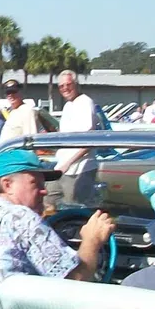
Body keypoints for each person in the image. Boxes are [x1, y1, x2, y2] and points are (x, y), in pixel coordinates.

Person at [0, 148, 115, 281]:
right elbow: (74, 283)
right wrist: (92, 240)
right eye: (35, 183)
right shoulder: (22, 217)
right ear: (7, 185)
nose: (44, 191)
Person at [51, 71, 100, 207]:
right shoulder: (67, 106)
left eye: (68, 84)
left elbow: (89, 141)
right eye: (61, 86)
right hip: (61, 167)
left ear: (76, 84)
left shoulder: (85, 103)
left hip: (79, 169)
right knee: (49, 201)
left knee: (73, 210)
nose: (65, 88)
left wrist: (69, 163)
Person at [0, 80, 40, 147]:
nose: (10, 95)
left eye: (14, 92)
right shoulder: (12, 112)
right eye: (8, 93)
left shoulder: (27, 110)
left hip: (18, 155)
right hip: (6, 154)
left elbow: (30, 138)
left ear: (20, 92)